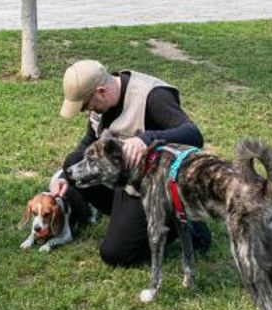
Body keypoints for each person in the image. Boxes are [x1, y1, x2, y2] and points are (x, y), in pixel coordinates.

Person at [50, 60, 211, 267]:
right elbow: (89, 142)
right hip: (128, 182)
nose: (86, 111)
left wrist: (146, 139)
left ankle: (183, 222)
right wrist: (65, 176)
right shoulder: (101, 105)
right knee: (73, 163)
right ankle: (129, 220)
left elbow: (194, 135)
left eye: (86, 106)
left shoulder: (152, 96)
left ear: (101, 91)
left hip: (156, 187)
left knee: (115, 254)